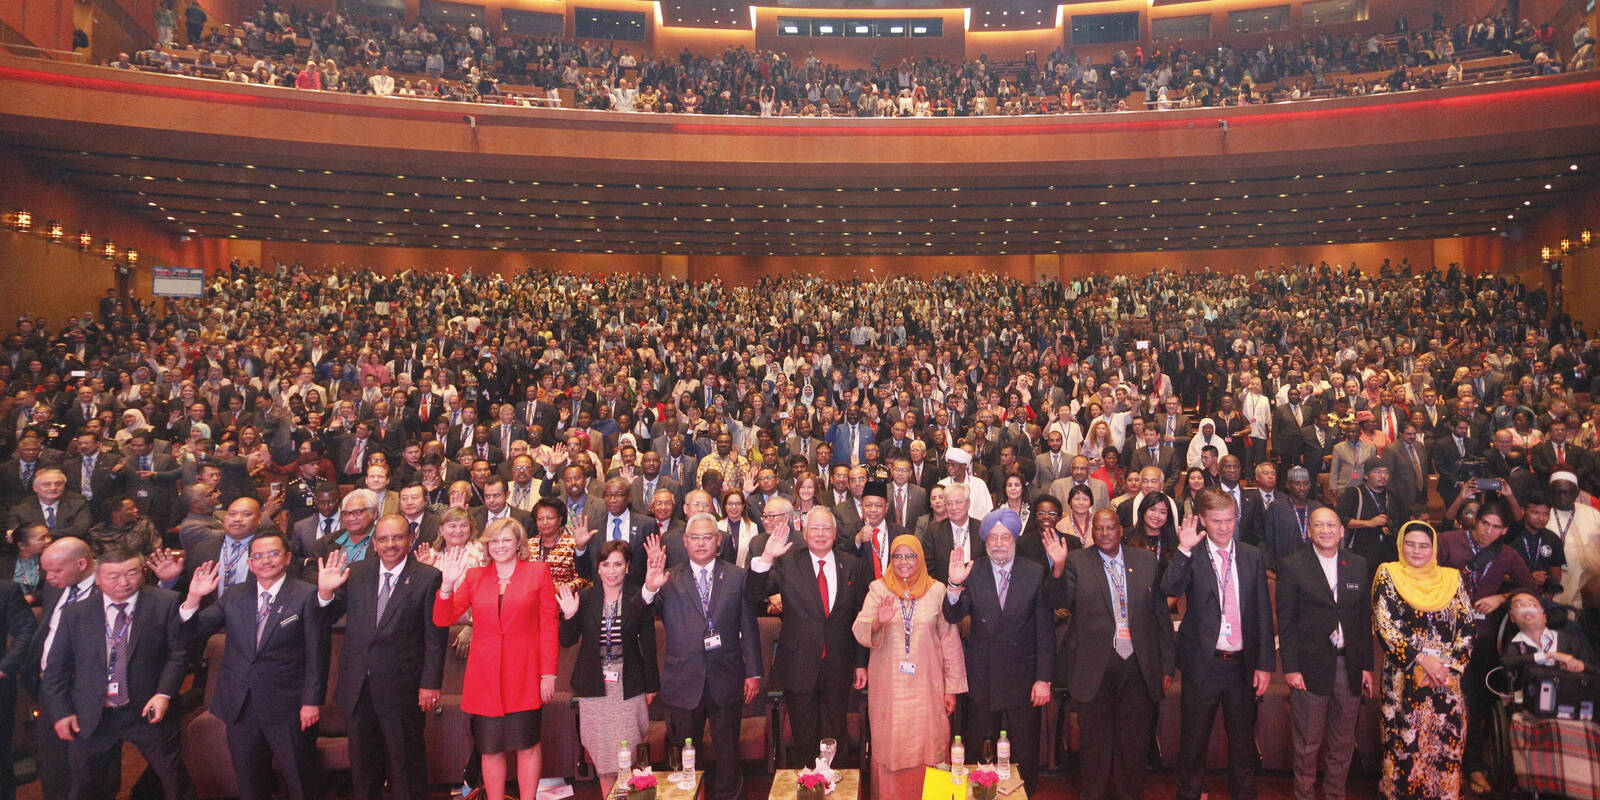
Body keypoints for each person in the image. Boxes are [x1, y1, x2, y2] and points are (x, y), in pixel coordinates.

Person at [179, 534, 330, 800]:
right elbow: (192, 632)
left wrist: (311, 702)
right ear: (249, 563)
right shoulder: (235, 594)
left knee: (301, 781)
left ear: (286, 558)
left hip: (289, 707)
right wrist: (193, 598)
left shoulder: (306, 595)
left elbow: (318, 653)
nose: (265, 561)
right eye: (257, 556)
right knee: (250, 784)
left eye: (272, 554)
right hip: (241, 706)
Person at [315, 515, 447, 800]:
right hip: (357, 688)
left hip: (403, 689)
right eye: (384, 539)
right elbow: (325, 617)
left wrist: (430, 684)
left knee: (405, 766)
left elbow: (434, 637)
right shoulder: (357, 572)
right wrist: (325, 591)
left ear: (409, 540)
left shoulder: (427, 577)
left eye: (397, 538)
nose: (390, 544)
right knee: (363, 767)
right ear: (374, 543)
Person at [41, 549, 186, 800]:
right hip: (93, 712)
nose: (124, 583)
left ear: (142, 573)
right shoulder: (76, 613)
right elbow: (56, 668)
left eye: (132, 574)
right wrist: (61, 711)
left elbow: (179, 654)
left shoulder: (165, 602)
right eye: (113, 577)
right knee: (85, 786)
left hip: (147, 709)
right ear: (97, 578)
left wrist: (164, 693)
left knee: (175, 780)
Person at [1162, 486, 1276, 800]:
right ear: (1202, 521)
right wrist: (1183, 551)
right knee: (1194, 741)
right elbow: (1168, 588)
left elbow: (1263, 614)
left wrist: (1265, 665)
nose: (1224, 528)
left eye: (1229, 520)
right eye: (1216, 521)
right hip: (1203, 663)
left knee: (1242, 744)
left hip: (1241, 665)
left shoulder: (1252, 555)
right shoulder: (1192, 554)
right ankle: (1190, 794)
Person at [434, 518, 560, 800]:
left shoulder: (538, 572)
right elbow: (443, 618)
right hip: (485, 678)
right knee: (490, 748)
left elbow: (549, 627)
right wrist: (446, 584)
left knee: (527, 745)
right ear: (487, 546)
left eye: (506, 540)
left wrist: (548, 674)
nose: (500, 546)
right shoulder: (475, 577)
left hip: (525, 674)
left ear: (518, 544)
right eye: (494, 541)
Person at [640, 514, 763, 800]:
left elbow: (748, 625)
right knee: (684, 754)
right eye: (695, 537)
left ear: (718, 540)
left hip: (726, 676)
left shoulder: (736, 575)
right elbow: (641, 617)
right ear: (684, 542)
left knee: (727, 752)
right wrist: (649, 588)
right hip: (683, 679)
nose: (701, 543)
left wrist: (753, 672)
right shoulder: (667, 577)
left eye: (708, 537)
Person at [1058, 508, 1174, 800]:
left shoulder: (1146, 561)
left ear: (1121, 530)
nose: (1105, 534)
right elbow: (1058, 601)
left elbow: (1161, 615)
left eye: (1110, 528)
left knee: (1132, 744)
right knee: (1095, 745)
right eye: (1098, 529)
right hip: (1093, 665)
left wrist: (1167, 666)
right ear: (1092, 532)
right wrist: (1057, 569)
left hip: (1137, 664)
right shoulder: (1076, 561)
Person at [746, 506, 869, 767]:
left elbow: (859, 618)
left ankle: (836, 788)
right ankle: (806, 787)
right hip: (798, 666)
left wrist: (860, 663)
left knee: (836, 737)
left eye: (827, 528)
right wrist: (766, 557)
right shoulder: (787, 562)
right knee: (803, 740)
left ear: (836, 533)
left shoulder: (853, 566)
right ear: (804, 530)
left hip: (838, 665)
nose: (821, 534)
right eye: (815, 528)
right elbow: (753, 595)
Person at [943, 508, 1054, 794]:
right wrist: (954, 584)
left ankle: (1023, 794)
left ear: (1015, 539)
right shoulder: (973, 570)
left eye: (1005, 537)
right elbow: (953, 615)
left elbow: (1045, 631)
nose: (999, 543)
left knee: (1024, 750)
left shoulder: (1034, 572)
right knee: (979, 749)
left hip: (1024, 678)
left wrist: (1044, 678)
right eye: (992, 537)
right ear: (985, 541)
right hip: (983, 678)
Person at [851, 534, 966, 800]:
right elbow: (859, 629)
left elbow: (950, 642)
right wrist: (878, 622)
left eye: (910, 555)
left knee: (931, 744)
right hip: (888, 688)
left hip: (928, 686)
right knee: (891, 745)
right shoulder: (879, 589)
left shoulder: (937, 590)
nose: (904, 562)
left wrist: (952, 689)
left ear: (921, 558)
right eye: (898, 556)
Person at [1275, 507, 1373, 800]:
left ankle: (1335, 796)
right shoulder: (1293, 565)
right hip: (1308, 668)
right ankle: (1304, 795)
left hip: (1350, 666)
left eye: (1332, 525)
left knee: (1342, 745)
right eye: (1319, 525)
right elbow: (1287, 622)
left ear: (1342, 530)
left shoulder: (1357, 564)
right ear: (1309, 531)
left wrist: (1366, 665)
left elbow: (1362, 619)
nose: (1326, 530)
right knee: (1307, 744)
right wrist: (1290, 668)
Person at [1372, 520, 1475, 800]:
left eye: (1424, 545)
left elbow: (1467, 626)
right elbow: (1385, 625)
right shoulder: (1389, 574)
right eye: (1410, 544)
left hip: (1445, 677)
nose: (1417, 551)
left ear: (1434, 548)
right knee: (1406, 745)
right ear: (1400, 545)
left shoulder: (1452, 578)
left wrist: (1449, 666)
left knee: (1445, 743)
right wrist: (1421, 660)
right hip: (1403, 676)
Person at [556, 540, 657, 797]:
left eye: (618, 564)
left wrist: (651, 685)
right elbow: (567, 640)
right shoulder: (587, 598)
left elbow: (648, 643)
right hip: (594, 684)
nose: (611, 571)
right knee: (603, 756)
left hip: (628, 683)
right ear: (598, 568)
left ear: (628, 567)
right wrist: (568, 616)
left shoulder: (638, 596)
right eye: (605, 565)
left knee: (629, 752)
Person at [24, 538, 116, 800]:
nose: (49, 578)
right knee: (53, 767)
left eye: (56, 571)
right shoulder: (58, 587)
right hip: (50, 689)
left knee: (93, 773)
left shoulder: (111, 590)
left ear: (82, 564)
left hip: (91, 695)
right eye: (46, 571)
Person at [1501, 591, 1598, 677]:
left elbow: (1595, 669)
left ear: (1544, 615)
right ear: (1512, 617)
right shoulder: (1514, 645)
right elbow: (1508, 662)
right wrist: (1550, 656)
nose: (1527, 608)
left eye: (1533, 604)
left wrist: (1582, 666)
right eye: (1519, 605)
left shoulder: (1569, 640)